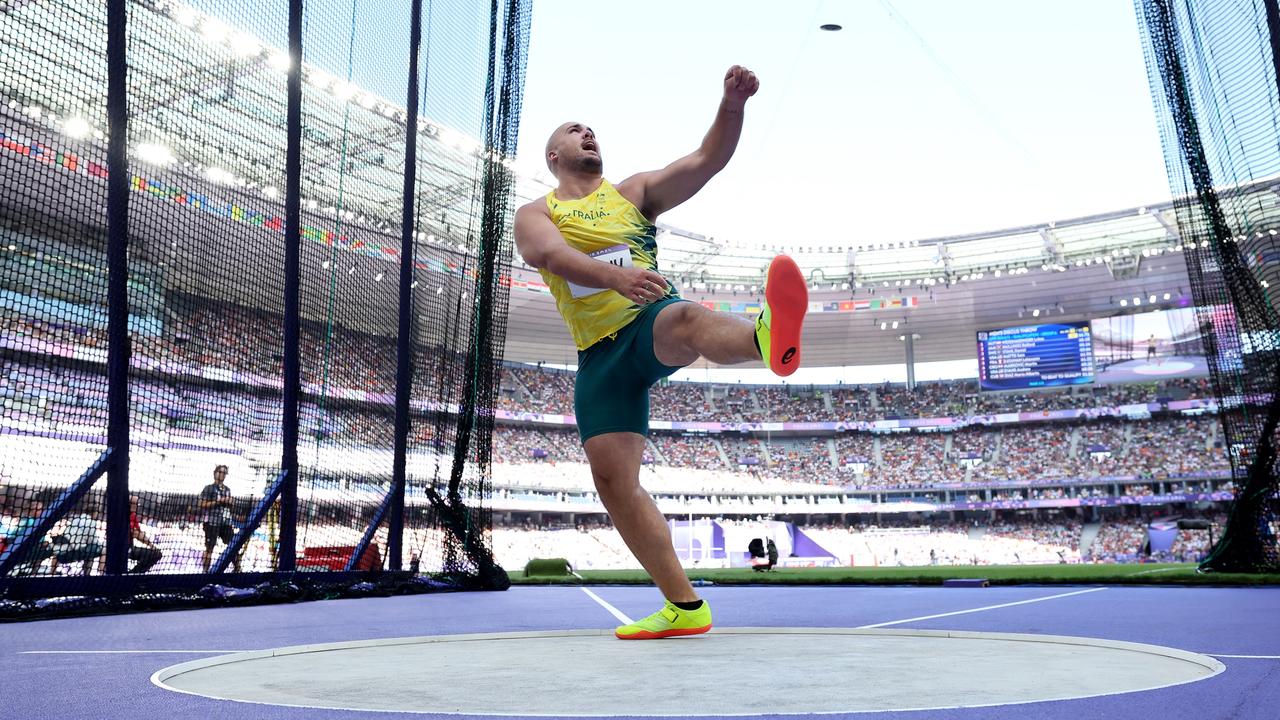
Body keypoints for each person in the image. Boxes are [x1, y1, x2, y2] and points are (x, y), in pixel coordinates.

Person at [513, 65, 808, 640]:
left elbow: (706, 161)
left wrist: (731, 104)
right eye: (575, 130)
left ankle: (765, 337)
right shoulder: (539, 211)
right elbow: (547, 255)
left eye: (592, 129)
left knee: (685, 317)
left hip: (647, 320)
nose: (587, 134)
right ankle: (684, 607)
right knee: (613, 483)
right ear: (553, 155)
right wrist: (609, 276)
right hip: (598, 358)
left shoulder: (634, 194)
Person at [199, 465, 241, 573]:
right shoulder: (208, 488)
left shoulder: (227, 490)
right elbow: (202, 504)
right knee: (209, 548)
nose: (222, 475)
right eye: (220, 472)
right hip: (212, 522)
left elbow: (229, 507)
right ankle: (205, 572)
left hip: (226, 522)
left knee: (233, 546)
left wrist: (231, 503)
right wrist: (220, 501)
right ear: (215, 473)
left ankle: (237, 569)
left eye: (224, 473)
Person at [128, 494, 163, 574]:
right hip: (117, 549)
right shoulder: (120, 515)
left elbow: (139, 533)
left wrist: (152, 546)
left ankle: (133, 575)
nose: (136, 506)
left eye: (137, 504)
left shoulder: (133, 516)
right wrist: (151, 546)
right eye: (133, 503)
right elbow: (136, 534)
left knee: (156, 554)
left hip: (129, 548)